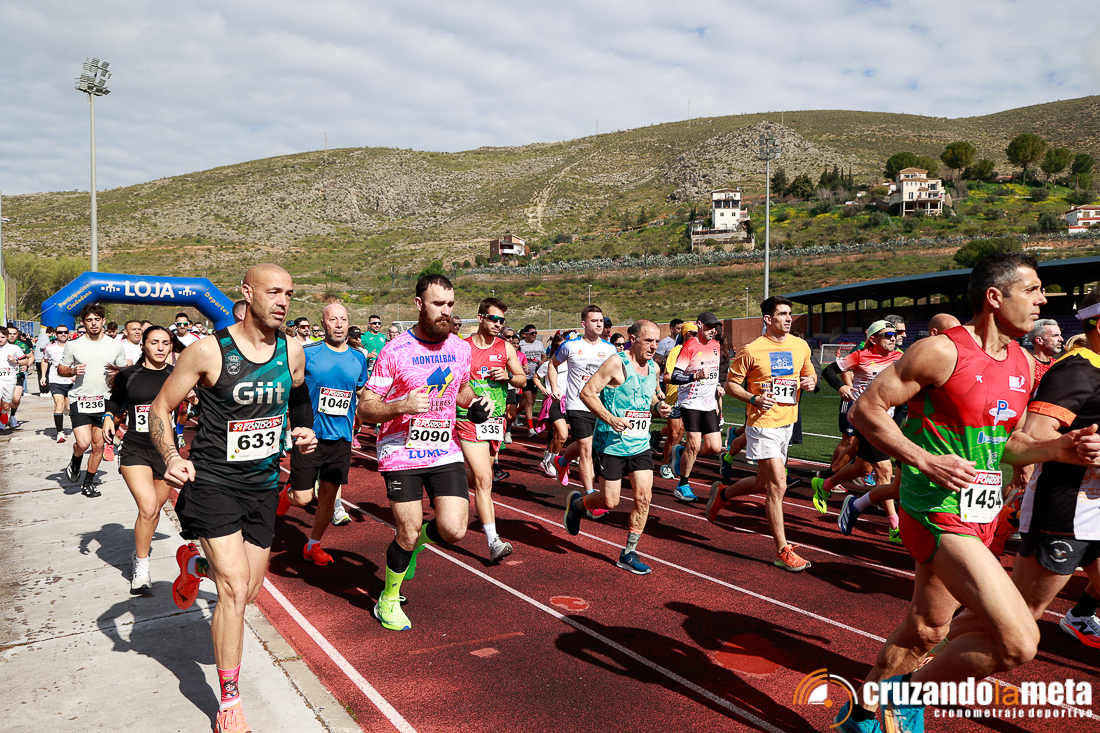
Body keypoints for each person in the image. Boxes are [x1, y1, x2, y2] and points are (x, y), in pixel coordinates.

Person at [834, 253, 1049, 733]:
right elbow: (866, 409)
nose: (1043, 300)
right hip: (935, 510)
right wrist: (924, 459)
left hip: (980, 514)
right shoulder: (940, 351)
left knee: (927, 629)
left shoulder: (1022, 361)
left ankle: (860, 717)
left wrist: (1058, 450)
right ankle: (906, 696)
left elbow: (1009, 440)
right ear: (995, 297)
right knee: (1018, 643)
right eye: (1032, 289)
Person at [151, 264, 317, 733]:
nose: (283, 301)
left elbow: (299, 396)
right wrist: (170, 455)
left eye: (289, 293)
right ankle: (230, 703)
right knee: (234, 590)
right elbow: (162, 407)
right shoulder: (208, 351)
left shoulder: (291, 349)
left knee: (249, 591)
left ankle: (194, 566)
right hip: (212, 483)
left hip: (262, 484)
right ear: (247, 293)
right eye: (273, 292)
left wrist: (304, 428)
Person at [355, 274, 488, 631]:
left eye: (450, 304)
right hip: (400, 451)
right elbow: (365, 408)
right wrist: (401, 405)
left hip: (443, 448)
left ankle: (414, 547)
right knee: (409, 530)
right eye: (438, 304)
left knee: (454, 530)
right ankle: (387, 599)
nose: (446, 311)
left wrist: (475, 402)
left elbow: (462, 388)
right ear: (419, 304)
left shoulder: (460, 348)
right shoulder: (395, 350)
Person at [706, 296, 816, 572]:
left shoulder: (800, 345)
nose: (788, 318)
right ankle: (782, 550)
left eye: (790, 313)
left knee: (762, 483)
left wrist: (810, 381)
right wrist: (754, 399)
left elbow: (810, 374)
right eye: (782, 314)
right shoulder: (751, 350)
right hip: (762, 424)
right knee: (778, 485)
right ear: (768, 319)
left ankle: (724, 494)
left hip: (787, 423)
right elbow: (731, 385)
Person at [566, 319, 671, 574]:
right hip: (611, 444)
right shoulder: (616, 363)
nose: (653, 346)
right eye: (648, 341)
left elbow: (650, 399)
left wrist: (659, 407)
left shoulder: (654, 368)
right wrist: (611, 419)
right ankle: (578, 504)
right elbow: (587, 393)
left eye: (656, 342)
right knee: (609, 502)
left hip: (640, 444)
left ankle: (629, 552)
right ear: (633, 339)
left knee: (644, 497)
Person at [276, 303, 371, 564]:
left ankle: (313, 544)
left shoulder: (358, 358)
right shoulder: (308, 353)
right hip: (311, 436)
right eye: (333, 320)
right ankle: (288, 491)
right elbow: (290, 385)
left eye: (343, 319)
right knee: (303, 498)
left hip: (342, 438)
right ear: (323, 323)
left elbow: (361, 390)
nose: (339, 324)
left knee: (328, 496)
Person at [811, 320, 904, 540]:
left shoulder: (900, 357)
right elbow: (829, 370)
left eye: (895, 334)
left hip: (887, 418)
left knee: (863, 467)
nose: (893, 338)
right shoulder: (860, 356)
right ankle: (895, 526)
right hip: (866, 417)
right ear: (873, 338)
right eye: (888, 334)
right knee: (884, 470)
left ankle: (825, 484)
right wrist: (841, 386)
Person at [103, 326, 178, 593]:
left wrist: (194, 398)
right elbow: (115, 401)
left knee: (155, 510)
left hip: (166, 453)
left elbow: (201, 403)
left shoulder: (178, 375)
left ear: (171, 347)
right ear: (143, 345)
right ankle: (142, 567)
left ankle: (139, 551)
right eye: (154, 342)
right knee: (147, 507)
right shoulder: (128, 375)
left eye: (165, 343)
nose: (160, 347)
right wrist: (108, 417)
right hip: (135, 448)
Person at [456, 298, 526, 563]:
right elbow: (452, 381)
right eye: (493, 318)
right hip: (469, 419)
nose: (498, 324)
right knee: (485, 479)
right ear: (480, 318)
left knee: (479, 476)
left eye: (501, 320)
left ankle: (447, 482)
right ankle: (493, 541)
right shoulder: (463, 348)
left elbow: (522, 379)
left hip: (495, 422)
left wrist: (508, 377)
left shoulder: (505, 347)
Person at [57, 304, 128, 496]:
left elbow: (124, 371)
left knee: (98, 446)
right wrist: (72, 370)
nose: (94, 323)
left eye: (97, 319)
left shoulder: (116, 345)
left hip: (105, 400)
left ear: (103, 321)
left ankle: (88, 482)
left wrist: (118, 372)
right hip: (80, 398)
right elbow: (60, 369)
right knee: (83, 443)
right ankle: (75, 460)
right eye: (89, 320)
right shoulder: (74, 345)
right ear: (83, 323)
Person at [547, 306, 614, 506]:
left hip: (601, 406)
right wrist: (554, 388)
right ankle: (590, 497)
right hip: (577, 403)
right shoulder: (570, 346)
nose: (599, 324)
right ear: (584, 324)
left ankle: (561, 461)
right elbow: (552, 364)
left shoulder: (610, 349)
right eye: (594, 321)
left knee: (592, 445)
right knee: (586, 449)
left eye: (601, 320)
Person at [669, 312, 724, 502]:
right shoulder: (689, 347)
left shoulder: (716, 345)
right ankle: (682, 484)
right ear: (699, 325)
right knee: (694, 444)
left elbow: (714, 373)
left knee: (715, 447)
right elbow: (675, 377)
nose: (712, 330)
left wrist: (717, 386)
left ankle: (680, 451)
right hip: (691, 401)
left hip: (709, 403)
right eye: (709, 327)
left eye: (714, 327)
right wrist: (695, 376)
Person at [41, 325, 73, 442]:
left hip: (71, 381)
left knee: (68, 407)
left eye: (65, 332)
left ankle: (66, 408)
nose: (63, 334)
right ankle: (60, 433)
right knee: (58, 404)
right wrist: (43, 376)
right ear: (55, 334)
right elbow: (44, 360)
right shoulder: (50, 348)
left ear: (68, 334)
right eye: (60, 332)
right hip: (56, 381)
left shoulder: (74, 347)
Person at [0, 327, 32, 430]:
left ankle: (6, 413)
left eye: (2, 337)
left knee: (9, 404)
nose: (0, 339)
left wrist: (16, 361)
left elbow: (27, 360)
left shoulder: (16, 347)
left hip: (11, 378)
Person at [517, 324, 545, 430]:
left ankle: (512, 414)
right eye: (532, 333)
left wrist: (542, 361)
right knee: (528, 401)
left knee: (531, 402)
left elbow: (544, 356)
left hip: (535, 377)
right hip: (524, 376)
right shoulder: (521, 344)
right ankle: (530, 429)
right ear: (525, 334)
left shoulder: (539, 344)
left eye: (535, 333)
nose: (534, 335)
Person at [34, 326, 53, 397]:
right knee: (45, 375)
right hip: (42, 359)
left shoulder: (40, 337)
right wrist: (50, 346)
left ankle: (42, 391)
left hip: (38, 358)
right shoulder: (45, 338)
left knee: (40, 375)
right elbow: (42, 346)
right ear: (52, 332)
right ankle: (46, 391)